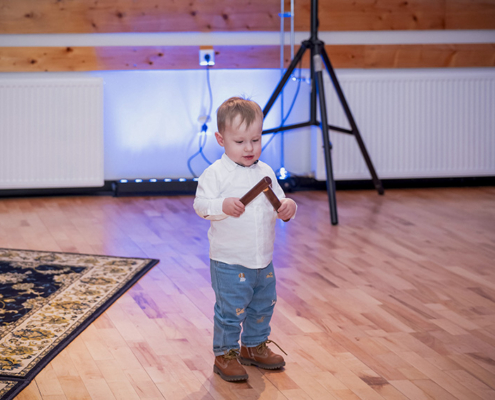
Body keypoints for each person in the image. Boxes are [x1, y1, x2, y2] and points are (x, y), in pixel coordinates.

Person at [193, 96, 297, 382]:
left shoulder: (265, 172)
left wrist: (288, 206)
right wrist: (222, 206)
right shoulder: (215, 174)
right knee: (230, 312)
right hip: (229, 261)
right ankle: (225, 354)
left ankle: (253, 346)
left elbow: (279, 202)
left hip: (263, 259)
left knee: (263, 305)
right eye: (240, 141)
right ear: (221, 139)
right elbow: (201, 206)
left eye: (255, 139)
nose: (249, 148)